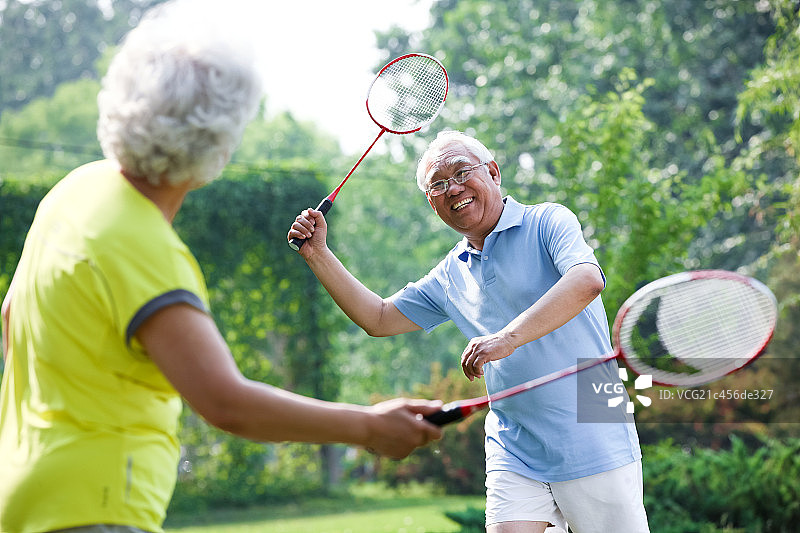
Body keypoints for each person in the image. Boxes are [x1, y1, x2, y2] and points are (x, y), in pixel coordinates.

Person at [0, 3, 443, 532]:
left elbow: (11, 316)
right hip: (94, 509)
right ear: (219, 141)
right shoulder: (149, 252)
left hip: (21, 497)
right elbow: (226, 403)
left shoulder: (75, 190)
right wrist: (368, 427)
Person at [288, 130, 650, 533]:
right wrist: (318, 254)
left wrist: (507, 338)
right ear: (433, 204)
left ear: (493, 172)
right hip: (515, 442)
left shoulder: (548, 220)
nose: (453, 188)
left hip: (594, 420)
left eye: (462, 172)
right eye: (438, 185)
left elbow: (587, 280)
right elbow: (379, 318)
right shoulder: (450, 273)